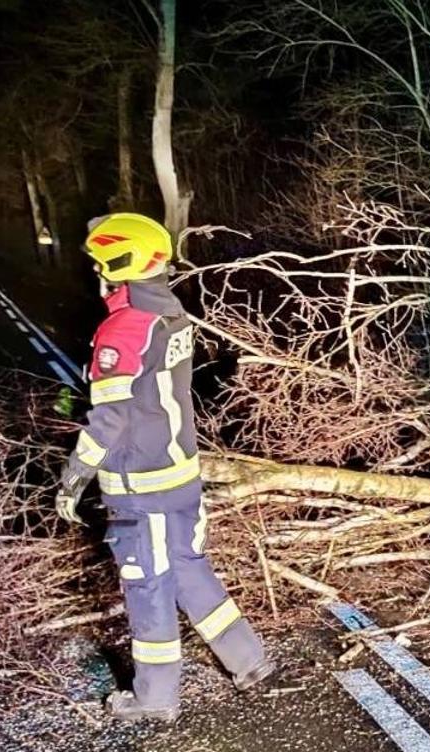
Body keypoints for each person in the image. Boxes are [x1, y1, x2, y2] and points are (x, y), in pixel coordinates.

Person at [55, 212, 276, 721]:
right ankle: (249, 660)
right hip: (181, 474)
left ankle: (155, 698)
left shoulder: (123, 327)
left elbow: (110, 418)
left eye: (99, 263)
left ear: (117, 264)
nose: (96, 273)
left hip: (141, 486)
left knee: (147, 583)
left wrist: (74, 478)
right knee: (189, 567)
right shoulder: (171, 313)